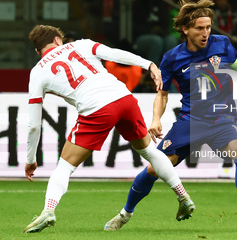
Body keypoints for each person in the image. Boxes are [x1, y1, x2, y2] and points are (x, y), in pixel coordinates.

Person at [109, 0, 237, 231]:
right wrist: (155, 119)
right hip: (190, 122)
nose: (205, 33)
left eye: (208, 27)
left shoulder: (222, 44)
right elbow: (162, 94)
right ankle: (125, 214)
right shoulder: (172, 57)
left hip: (221, 119)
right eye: (199, 28)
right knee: (155, 168)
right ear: (185, 29)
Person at [23, 25, 195, 233]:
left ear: (37, 51)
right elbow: (115, 54)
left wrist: (31, 159)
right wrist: (148, 64)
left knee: (65, 167)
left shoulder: (37, 72)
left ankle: (48, 210)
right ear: (59, 40)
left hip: (96, 109)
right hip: (124, 99)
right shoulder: (81, 45)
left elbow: (34, 124)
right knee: (150, 152)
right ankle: (183, 196)